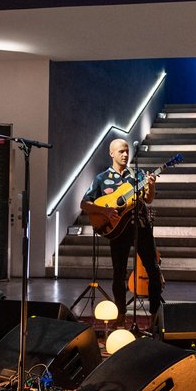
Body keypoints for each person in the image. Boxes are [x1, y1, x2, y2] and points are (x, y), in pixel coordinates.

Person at [80, 138, 163, 328]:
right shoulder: (101, 178)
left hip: (141, 227)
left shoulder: (137, 175)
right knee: (119, 273)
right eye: (121, 152)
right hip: (117, 231)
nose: (125, 154)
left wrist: (151, 185)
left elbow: (149, 200)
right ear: (112, 154)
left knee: (153, 269)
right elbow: (84, 203)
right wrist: (104, 211)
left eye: (127, 151)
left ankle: (155, 316)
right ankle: (120, 316)